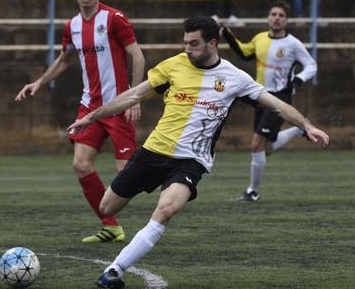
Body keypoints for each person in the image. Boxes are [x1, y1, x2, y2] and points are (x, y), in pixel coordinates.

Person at [64, 17, 329, 289]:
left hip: (191, 161)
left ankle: (113, 271)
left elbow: (277, 105)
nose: (187, 49)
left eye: (194, 44)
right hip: (154, 151)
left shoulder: (235, 78)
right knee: (107, 207)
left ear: (212, 43)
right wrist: (92, 117)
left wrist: (306, 125)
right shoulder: (173, 65)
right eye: (185, 43)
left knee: (166, 210)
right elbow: (133, 95)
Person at [15, 0, 146, 244]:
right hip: (90, 108)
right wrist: (39, 82)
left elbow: (137, 55)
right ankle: (111, 227)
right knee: (81, 164)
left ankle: (163, 179)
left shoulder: (114, 19)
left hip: (118, 105)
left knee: (127, 177)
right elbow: (64, 59)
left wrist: (134, 96)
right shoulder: (71, 26)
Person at [221, 2, 317, 202]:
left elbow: (311, 65)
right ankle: (298, 129)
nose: (276, 18)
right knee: (266, 148)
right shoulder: (260, 38)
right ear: (268, 18)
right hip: (260, 96)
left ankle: (252, 192)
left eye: (281, 15)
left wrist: (299, 79)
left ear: (286, 20)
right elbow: (244, 53)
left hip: (281, 97)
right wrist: (227, 35)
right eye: (273, 14)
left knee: (256, 143)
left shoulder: (293, 44)